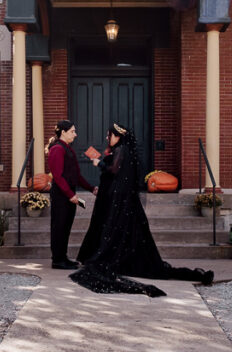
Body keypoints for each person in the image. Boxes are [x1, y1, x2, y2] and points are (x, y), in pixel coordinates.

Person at [71, 123, 214, 297]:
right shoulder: (122, 151)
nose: (107, 138)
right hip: (123, 202)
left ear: (119, 136)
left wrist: (99, 164)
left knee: (117, 232)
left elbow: (114, 170)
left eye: (110, 135)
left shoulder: (122, 150)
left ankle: (118, 260)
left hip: (122, 203)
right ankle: (125, 259)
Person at [46, 119, 96, 269]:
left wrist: (91, 188)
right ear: (63, 132)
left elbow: (76, 175)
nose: (75, 134)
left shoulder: (67, 148)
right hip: (61, 195)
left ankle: (63, 257)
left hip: (68, 194)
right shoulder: (57, 149)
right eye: (72, 131)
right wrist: (70, 195)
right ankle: (57, 260)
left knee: (66, 227)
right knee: (59, 227)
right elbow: (58, 176)